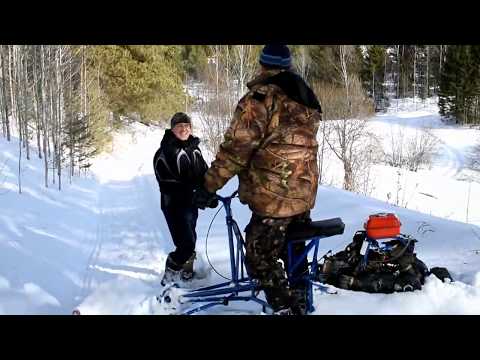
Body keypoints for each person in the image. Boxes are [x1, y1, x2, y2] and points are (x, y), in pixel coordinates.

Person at [194, 45, 323, 314]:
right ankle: (300, 300)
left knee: (258, 255)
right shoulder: (305, 98)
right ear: (288, 66)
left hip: (274, 195)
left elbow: (237, 149)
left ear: (263, 65)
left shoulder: (260, 99)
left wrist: (209, 185)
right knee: (294, 251)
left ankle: (287, 308)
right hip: (303, 192)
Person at [153, 112, 215, 285]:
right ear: (172, 129)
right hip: (174, 205)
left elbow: (203, 172)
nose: (183, 129)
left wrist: (210, 193)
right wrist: (194, 193)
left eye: (186, 126)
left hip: (191, 204)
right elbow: (167, 183)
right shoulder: (165, 152)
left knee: (191, 239)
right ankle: (169, 278)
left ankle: (187, 272)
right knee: (185, 244)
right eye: (179, 126)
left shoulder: (194, 148)